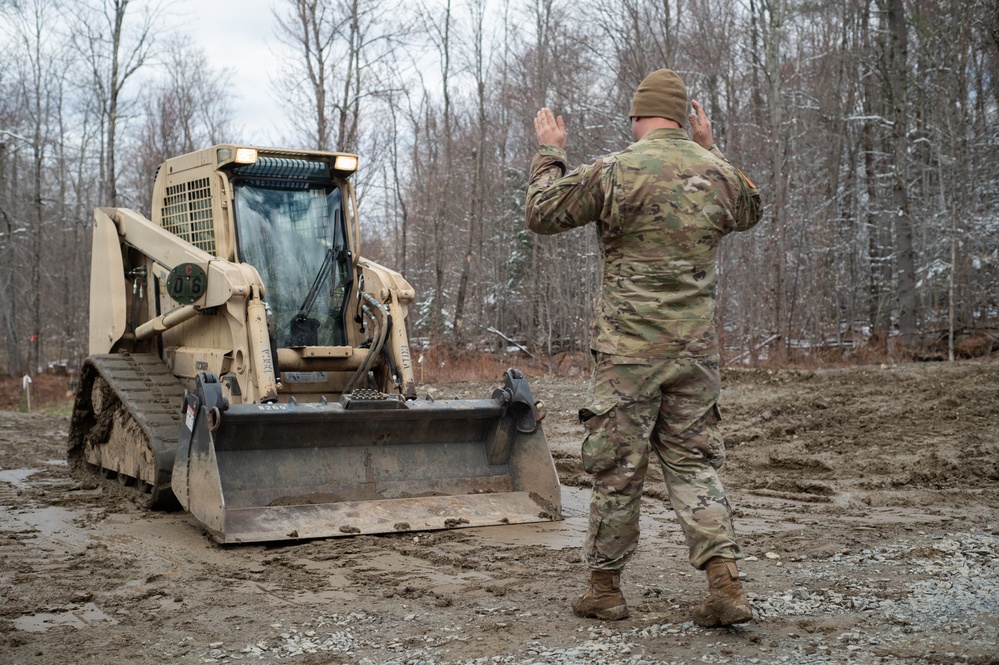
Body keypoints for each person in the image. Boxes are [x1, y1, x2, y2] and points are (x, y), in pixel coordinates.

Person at [525, 69, 763, 626]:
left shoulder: (616, 170)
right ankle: (725, 584)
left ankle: (605, 589)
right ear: (684, 119)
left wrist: (548, 153)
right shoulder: (718, 174)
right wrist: (711, 151)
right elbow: (752, 209)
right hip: (694, 354)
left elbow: (541, 214)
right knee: (692, 463)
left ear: (636, 118)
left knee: (617, 467)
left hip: (629, 354)